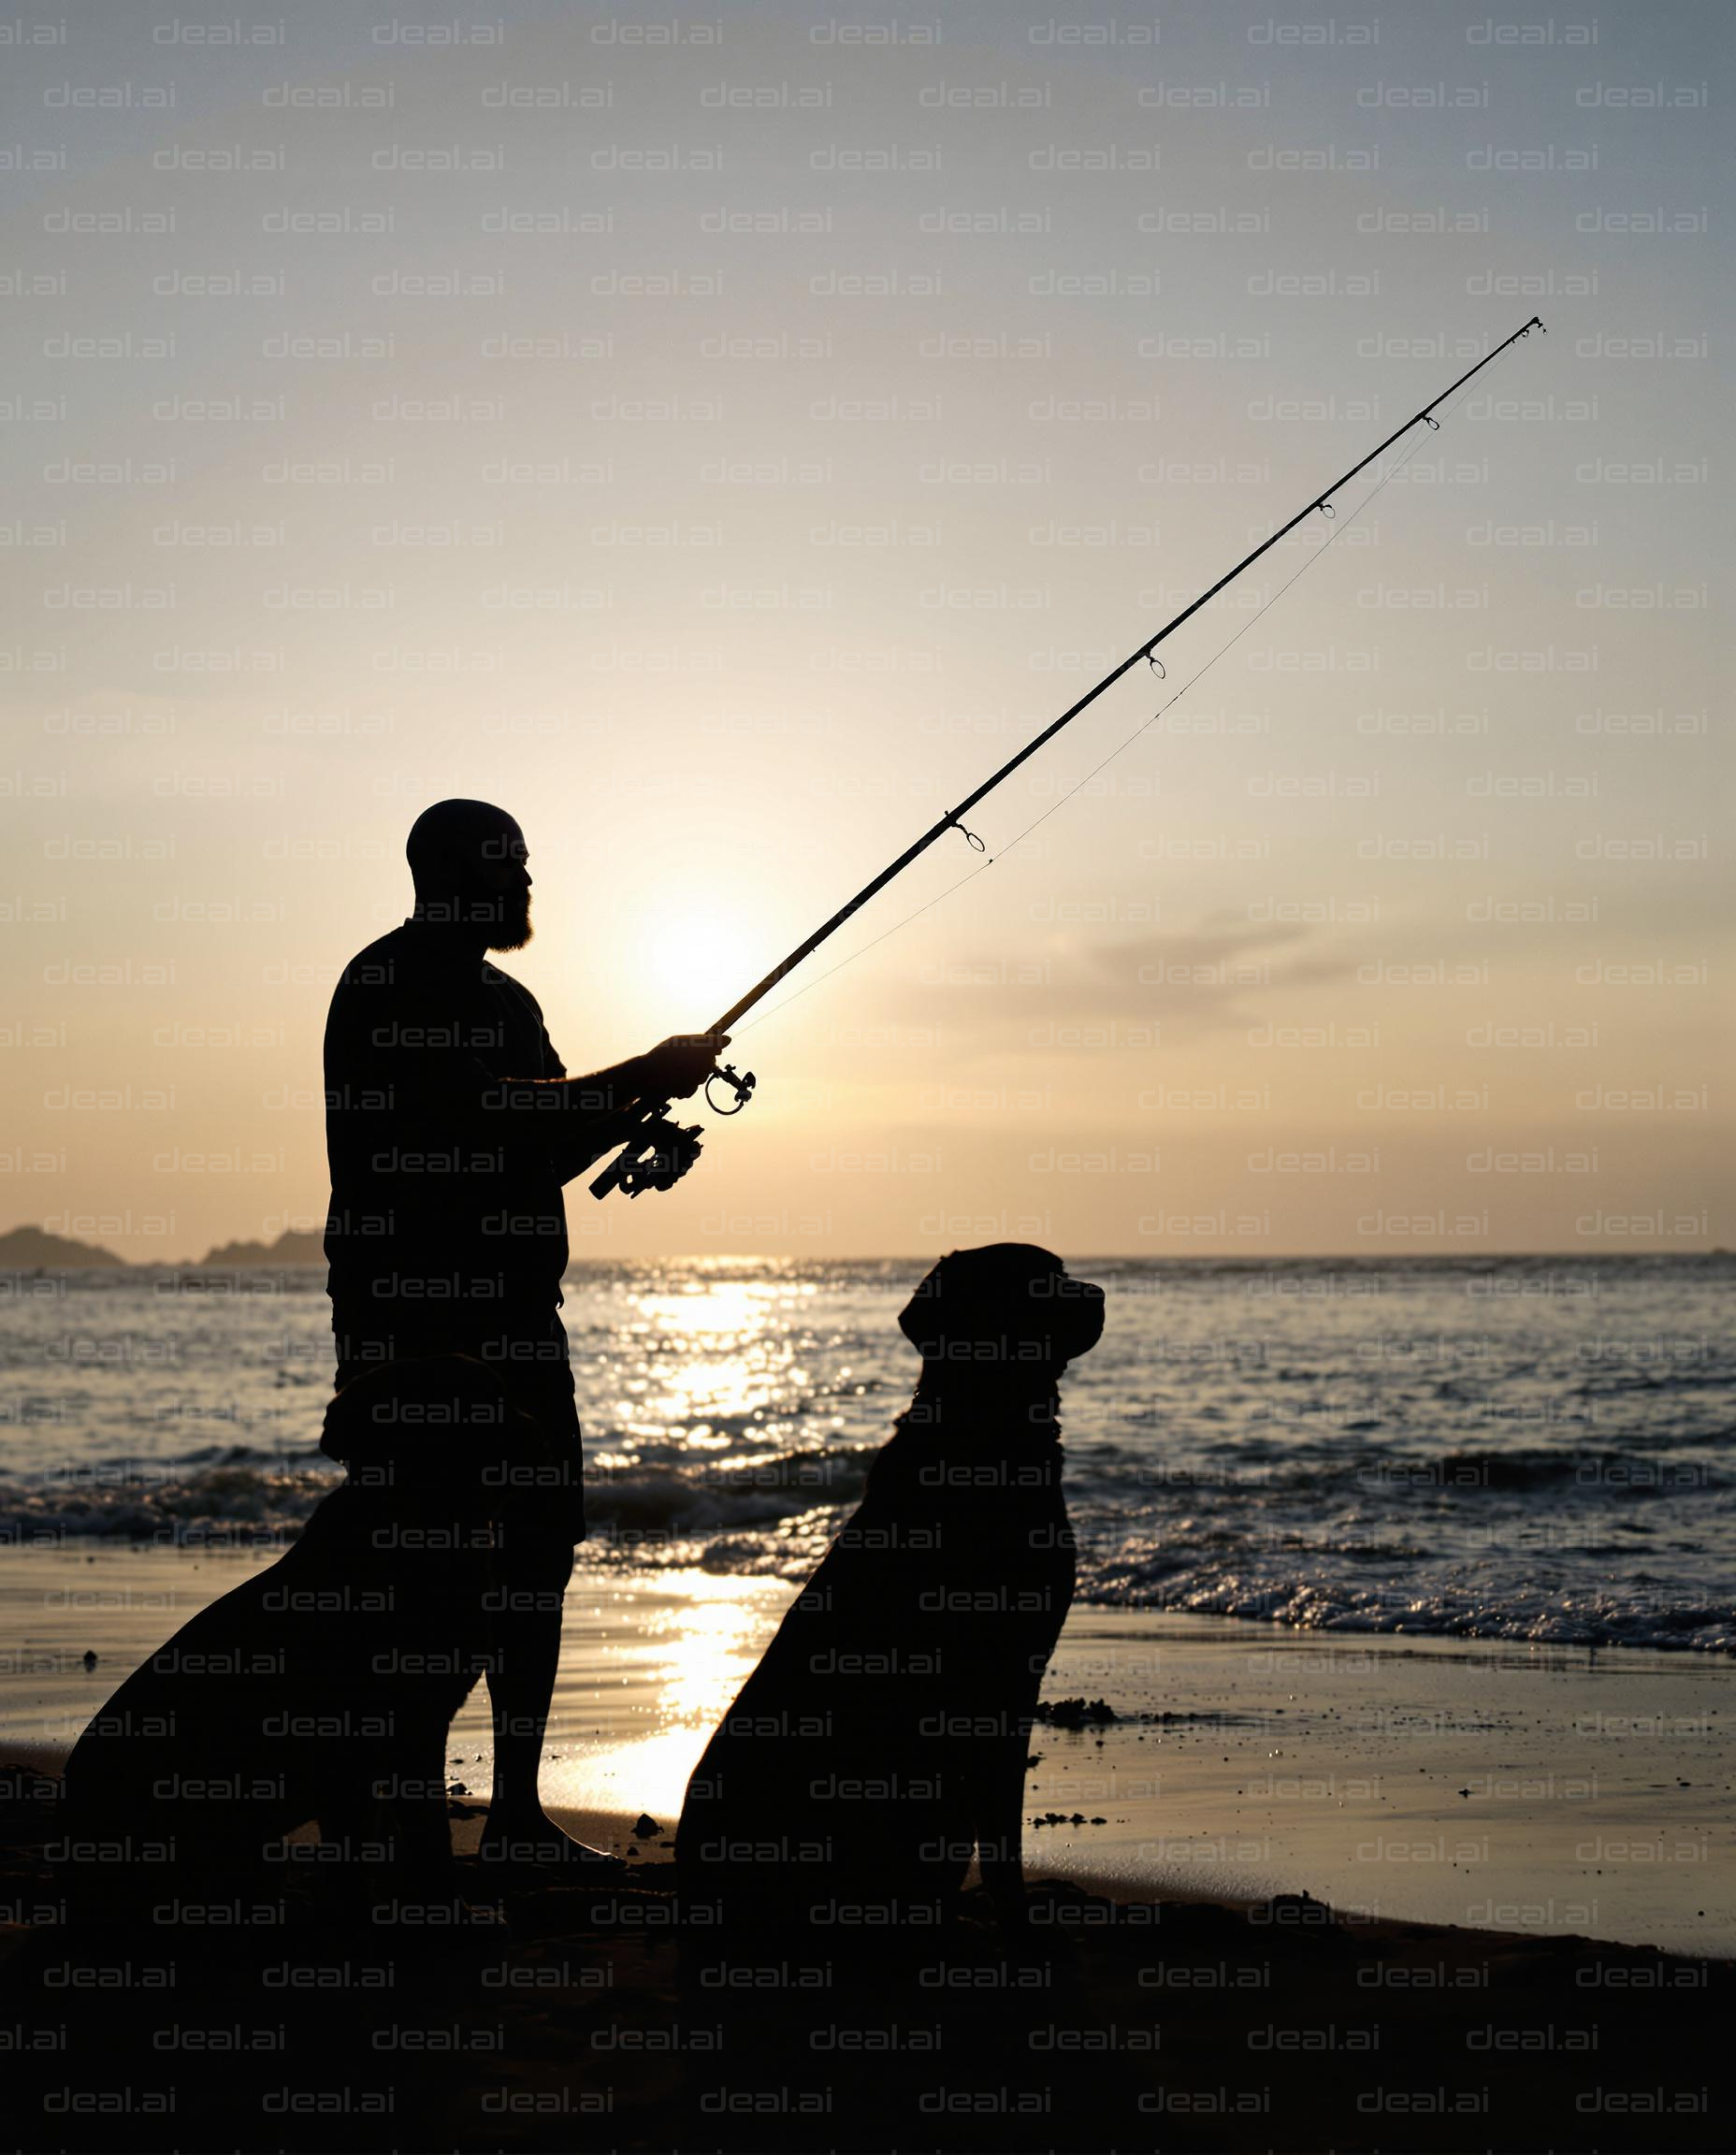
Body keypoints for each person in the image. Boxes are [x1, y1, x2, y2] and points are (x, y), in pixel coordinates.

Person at [321, 797, 721, 1864]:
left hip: (517, 1312)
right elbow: (481, 1116)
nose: (528, 882)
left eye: (527, 863)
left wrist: (640, 1118)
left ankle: (514, 1813)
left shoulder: (509, 995)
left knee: (537, 1551)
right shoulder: (389, 984)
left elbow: (540, 1144)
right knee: (426, 1566)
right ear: (453, 871)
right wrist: (639, 1075)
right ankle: (397, 1814)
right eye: (510, 865)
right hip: (412, 1319)